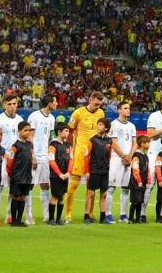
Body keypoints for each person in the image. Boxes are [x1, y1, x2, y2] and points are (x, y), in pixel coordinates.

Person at [66, 90, 106, 223]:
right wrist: (74, 147)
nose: (97, 107)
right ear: (90, 99)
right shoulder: (78, 113)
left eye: (99, 105)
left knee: (92, 186)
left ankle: (90, 214)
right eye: (96, 104)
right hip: (80, 152)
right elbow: (69, 131)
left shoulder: (100, 113)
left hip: (94, 154)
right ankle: (68, 214)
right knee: (74, 183)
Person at [0, 92, 24, 225]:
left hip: (16, 160)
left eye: (14, 104)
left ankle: (9, 215)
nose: (12, 106)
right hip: (2, 159)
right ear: (5, 105)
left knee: (13, 189)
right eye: (9, 104)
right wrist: (2, 153)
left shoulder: (20, 120)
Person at [27, 93, 56, 224]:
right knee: (30, 186)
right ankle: (28, 215)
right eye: (55, 102)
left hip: (45, 156)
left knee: (45, 185)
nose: (57, 104)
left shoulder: (52, 118)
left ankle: (46, 215)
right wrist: (32, 155)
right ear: (49, 103)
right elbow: (29, 136)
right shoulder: (34, 117)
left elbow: (50, 137)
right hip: (35, 156)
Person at [108, 101, 137, 223]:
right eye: (125, 108)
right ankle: (108, 214)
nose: (128, 110)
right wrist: (123, 156)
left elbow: (135, 143)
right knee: (111, 187)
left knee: (126, 188)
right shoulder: (114, 125)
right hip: (116, 159)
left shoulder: (131, 126)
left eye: (129, 108)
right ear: (119, 110)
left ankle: (123, 215)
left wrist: (129, 156)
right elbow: (113, 143)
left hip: (128, 159)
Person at [7, 121, 36, 227]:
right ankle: (14, 221)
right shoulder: (15, 145)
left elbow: (32, 156)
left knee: (23, 197)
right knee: (16, 197)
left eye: (29, 130)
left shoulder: (29, 144)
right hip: (17, 176)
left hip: (27, 175)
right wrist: (11, 173)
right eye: (25, 130)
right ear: (19, 131)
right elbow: (10, 160)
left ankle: (19, 220)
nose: (28, 132)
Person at [84, 117, 113, 224]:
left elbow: (109, 156)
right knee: (90, 193)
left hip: (105, 171)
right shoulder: (92, 140)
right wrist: (87, 171)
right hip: (94, 170)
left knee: (104, 194)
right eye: (98, 124)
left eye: (100, 125)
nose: (98, 126)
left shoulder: (109, 141)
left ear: (106, 128)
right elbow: (86, 156)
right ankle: (86, 216)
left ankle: (102, 217)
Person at [47, 120, 72, 225]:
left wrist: (68, 172)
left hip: (65, 175)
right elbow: (51, 160)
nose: (68, 133)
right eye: (66, 131)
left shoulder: (67, 144)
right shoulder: (53, 144)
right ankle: (51, 219)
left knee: (62, 196)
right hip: (55, 175)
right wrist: (59, 174)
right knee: (54, 196)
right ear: (59, 132)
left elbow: (71, 159)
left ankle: (59, 219)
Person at [128, 135, 151, 224]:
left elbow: (147, 169)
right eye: (147, 142)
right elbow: (135, 169)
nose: (149, 144)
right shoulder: (137, 155)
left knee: (140, 201)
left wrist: (148, 180)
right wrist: (139, 181)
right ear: (142, 144)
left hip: (143, 182)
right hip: (136, 182)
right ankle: (130, 218)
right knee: (135, 201)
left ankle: (137, 219)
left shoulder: (145, 156)